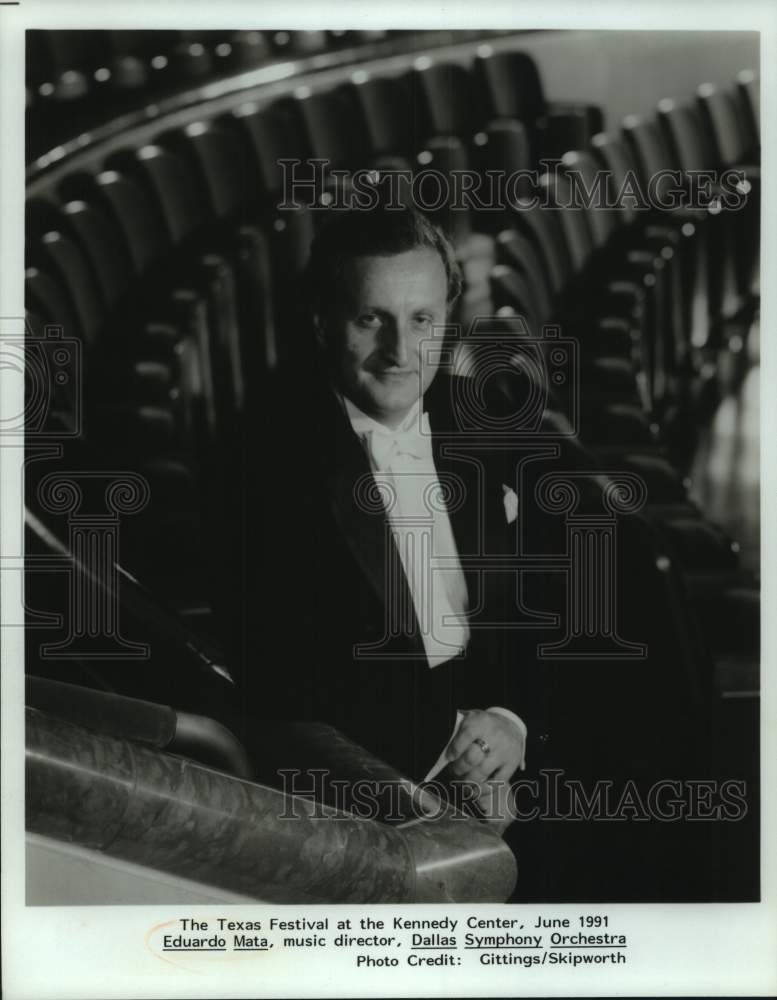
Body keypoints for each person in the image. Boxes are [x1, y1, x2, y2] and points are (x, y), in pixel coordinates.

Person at [236, 205, 550, 829]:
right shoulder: (260, 464)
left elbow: (534, 605)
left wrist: (510, 725)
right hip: (369, 778)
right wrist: (460, 754)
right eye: (370, 319)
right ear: (324, 322)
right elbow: (290, 681)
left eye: (422, 320)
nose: (399, 351)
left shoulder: (481, 418)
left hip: (501, 734)